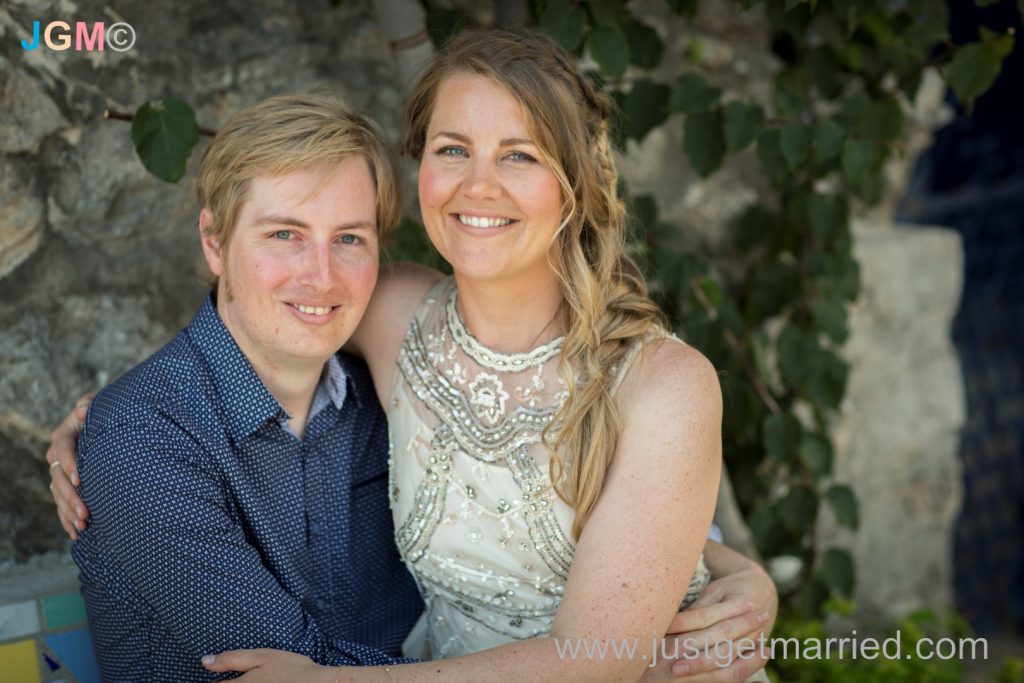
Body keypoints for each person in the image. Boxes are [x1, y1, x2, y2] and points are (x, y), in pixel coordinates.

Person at [47, 34, 775, 683]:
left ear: (575, 187)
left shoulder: (656, 380)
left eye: (519, 155)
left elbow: (607, 626)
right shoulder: (393, 320)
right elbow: (247, 334)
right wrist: (107, 427)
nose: (478, 185)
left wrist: (738, 575)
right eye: (453, 148)